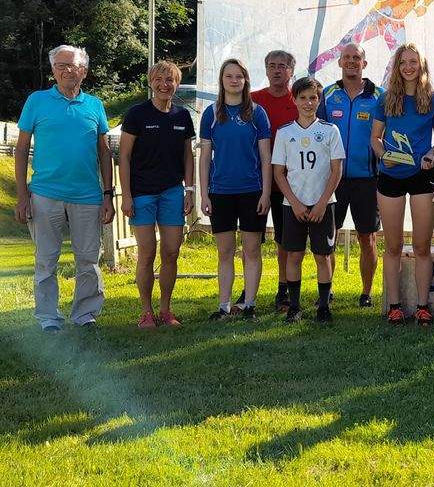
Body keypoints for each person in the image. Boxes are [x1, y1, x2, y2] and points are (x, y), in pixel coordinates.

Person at [15, 45, 115, 332]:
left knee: (88, 260)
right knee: (46, 260)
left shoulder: (94, 105)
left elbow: (104, 151)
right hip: (45, 195)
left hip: (87, 197)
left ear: (83, 70)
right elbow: (21, 150)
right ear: (53, 70)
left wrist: (108, 194)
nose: (66, 70)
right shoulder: (37, 101)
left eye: (72, 65)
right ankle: (48, 318)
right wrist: (23, 195)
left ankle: (85, 315)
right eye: (60, 65)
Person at [370, 43, 434, 326]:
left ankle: (423, 306)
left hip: (421, 176)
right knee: (392, 246)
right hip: (390, 174)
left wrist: (431, 155)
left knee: (422, 247)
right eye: (403, 62)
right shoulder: (386, 98)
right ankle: (394, 306)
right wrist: (383, 156)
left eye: (413, 61)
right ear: (397, 67)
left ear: (422, 65)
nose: (408, 67)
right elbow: (376, 139)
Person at [119, 61, 195, 329]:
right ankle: (146, 312)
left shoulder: (182, 116)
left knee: (172, 251)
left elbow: (188, 155)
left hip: (172, 193)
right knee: (147, 252)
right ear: (151, 82)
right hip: (142, 195)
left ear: (177, 83)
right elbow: (124, 157)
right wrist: (126, 195)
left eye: (170, 80)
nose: (165, 84)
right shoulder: (137, 114)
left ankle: (165, 310)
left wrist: (189, 189)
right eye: (159, 79)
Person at [199, 59, 271, 322]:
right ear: (222, 80)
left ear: (245, 80)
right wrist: (204, 194)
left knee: (252, 251)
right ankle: (224, 306)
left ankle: (250, 304)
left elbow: (266, 157)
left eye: (238, 76)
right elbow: (205, 157)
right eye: (229, 76)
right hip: (221, 192)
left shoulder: (257, 113)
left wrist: (266, 192)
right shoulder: (211, 114)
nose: (234, 80)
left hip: (252, 191)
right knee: (225, 252)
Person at [272, 77, 345, 323]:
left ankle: (323, 307)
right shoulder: (284, 133)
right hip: (293, 205)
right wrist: (294, 202)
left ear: (319, 99)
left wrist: (323, 202)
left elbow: (336, 170)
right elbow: (278, 173)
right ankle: (294, 306)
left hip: (323, 204)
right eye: (302, 98)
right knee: (293, 255)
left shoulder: (329, 130)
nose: (307, 103)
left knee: (322, 256)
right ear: (294, 100)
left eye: (312, 97)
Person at [317, 43, 382, 307]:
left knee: (367, 237)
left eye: (357, 58)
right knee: (328, 236)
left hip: (367, 178)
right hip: (333, 179)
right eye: (347, 58)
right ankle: (327, 289)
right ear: (340, 62)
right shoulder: (328, 95)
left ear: (364, 63)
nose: (352, 61)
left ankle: (366, 293)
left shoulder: (380, 96)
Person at [235, 50, 299, 313]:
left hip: (288, 182)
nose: (276, 70)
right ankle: (247, 291)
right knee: (251, 240)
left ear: (291, 72)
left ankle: (283, 291)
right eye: (271, 65)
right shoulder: (252, 100)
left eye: (282, 66)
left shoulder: (300, 101)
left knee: (285, 240)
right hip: (256, 182)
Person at [308, 0, 434, 82]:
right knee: (343, 48)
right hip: (376, 20)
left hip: (396, 26)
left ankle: (387, 91)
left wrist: (424, 6)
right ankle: (308, 73)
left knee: (398, 58)